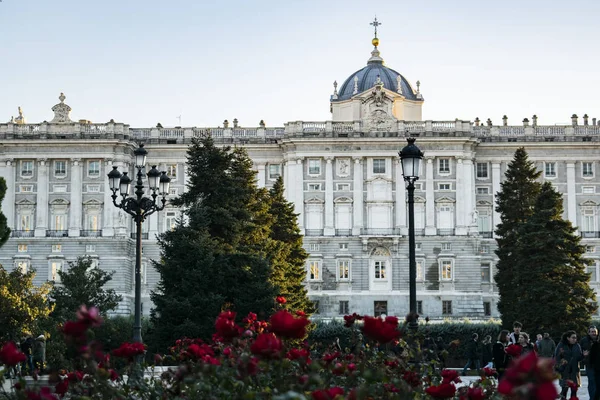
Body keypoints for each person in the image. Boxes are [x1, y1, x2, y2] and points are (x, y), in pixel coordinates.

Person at [555, 330, 585, 400]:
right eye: (573, 337)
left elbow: (579, 358)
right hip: (565, 371)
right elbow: (557, 357)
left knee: (574, 391)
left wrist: (583, 355)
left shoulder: (577, 345)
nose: (575, 339)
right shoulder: (561, 345)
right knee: (564, 391)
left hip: (574, 371)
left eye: (575, 338)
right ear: (568, 338)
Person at [580, 326, 598, 399]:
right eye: (592, 331)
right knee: (592, 382)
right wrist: (584, 357)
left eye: (595, 331)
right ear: (589, 332)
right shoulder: (584, 340)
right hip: (589, 365)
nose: (594, 333)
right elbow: (579, 351)